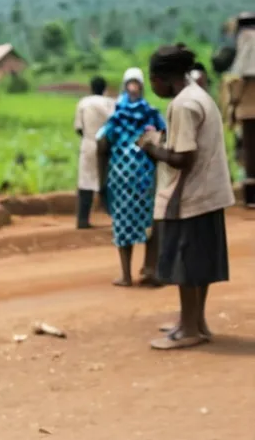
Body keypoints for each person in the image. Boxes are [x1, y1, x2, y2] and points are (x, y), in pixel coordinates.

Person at [138, 43, 236, 350]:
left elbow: (184, 158)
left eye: (153, 79)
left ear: (163, 78)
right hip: (209, 192)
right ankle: (195, 322)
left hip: (190, 195)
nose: (152, 86)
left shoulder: (182, 104)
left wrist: (151, 147)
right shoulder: (198, 95)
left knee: (186, 264)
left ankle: (190, 329)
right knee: (199, 263)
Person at [96, 67, 166, 287]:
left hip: (126, 176)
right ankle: (144, 270)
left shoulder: (117, 115)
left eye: (136, 84)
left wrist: (102, 178)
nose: (134, 89)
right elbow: (163, 138)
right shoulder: (150, 114)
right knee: (143, 223)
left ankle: (138, 272)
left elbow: (101, 144)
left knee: (134, 223)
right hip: (140, 177)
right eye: (131, 84)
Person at [74, 75, 115, 228]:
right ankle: (116, 217)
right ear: (104, 88)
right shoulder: (111, 103)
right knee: (108, 180)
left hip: (88, 144)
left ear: (91, 88)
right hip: (107, 145)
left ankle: (82, 220)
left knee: (85, 182)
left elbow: (79, 128)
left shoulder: (83, 103)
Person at [226, 13, 255, 207]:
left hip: (248, 112)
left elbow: (239, 79)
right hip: (247, 111)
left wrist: (231, 105)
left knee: (250, 154)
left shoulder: (247, 43)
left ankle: (251, 197)